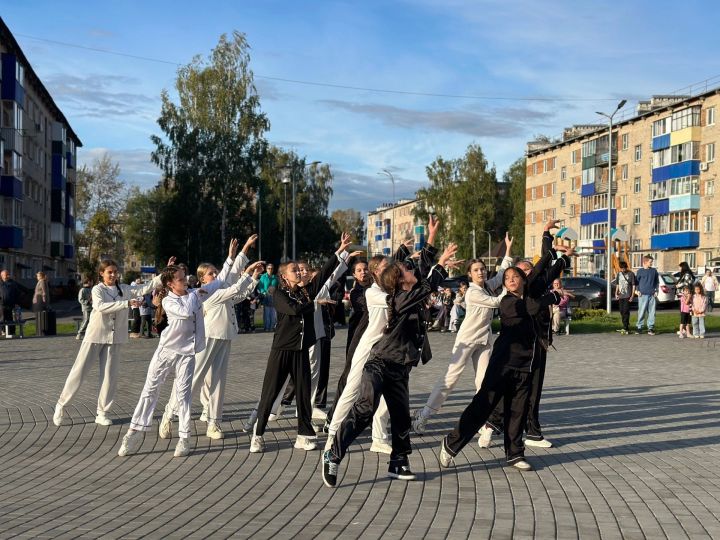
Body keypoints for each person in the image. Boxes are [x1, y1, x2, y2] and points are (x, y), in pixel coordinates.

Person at [322, 242, 459, 487]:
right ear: (399, 281)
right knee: (365, 410)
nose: (411, 271)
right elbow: (425, 284)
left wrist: (431, 246)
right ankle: (333, 452)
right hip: (378, 363)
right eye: (407, 271)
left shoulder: (411, 298)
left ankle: (398, 462)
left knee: (400, 417)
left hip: (400, 367)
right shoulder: (397, 299)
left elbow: (422, 281)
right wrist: (439, 264)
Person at [323, 221, 441, 455]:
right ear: (378, 273)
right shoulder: (373, 292)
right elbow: (410, 292)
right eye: (389, 268)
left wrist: (431, 237)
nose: (395, 272)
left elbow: (418, 276)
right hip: (369, 347)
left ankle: (378, 437)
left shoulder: (395, 288)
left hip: (392, 351)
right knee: (351, 391)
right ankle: (332, 438)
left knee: (389, 397)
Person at [118, 259, 252, 458]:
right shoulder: (168, 300)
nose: (186, 282)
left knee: (184, 395)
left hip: (187, 353)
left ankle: (184, 438)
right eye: (181, 280)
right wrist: (197, 294)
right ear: (170, 284)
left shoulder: (193, 293)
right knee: (150, 389)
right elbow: (185, 312)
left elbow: (221, 281)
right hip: (167, 350)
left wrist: (237, 264)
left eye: (185, 279)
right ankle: (133, 433)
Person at [438, 266, 561, 473]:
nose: (511, 280)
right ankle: (450, 444)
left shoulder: (528, 295)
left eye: (516, 277)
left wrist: (556, 256)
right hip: (502, 365)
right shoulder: (507, 302)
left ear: (523, 280)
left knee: (518, 412)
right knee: (482, 407)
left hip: (525, 366)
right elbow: (530, 308)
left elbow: (542, 273)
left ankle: (515, 454)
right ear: (504, 284)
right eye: (507, 278)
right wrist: (553, 297)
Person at [248, 233, 353, 453]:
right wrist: (314, 302)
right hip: (282, 350)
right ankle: (258, 434)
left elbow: (324, 274)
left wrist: (339, 251)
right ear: (285, 277)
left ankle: (303, 435)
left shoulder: (307, 291)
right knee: (270, 392)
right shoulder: (278, 293)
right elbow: (294, 310)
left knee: (304, 394)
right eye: (294, 270)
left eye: (299, 269)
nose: (299, 272)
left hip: (301, 350)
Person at [160, 236, 262, 441]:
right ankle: (169, 414)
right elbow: (232, 285)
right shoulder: (205, 293)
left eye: (215, 271)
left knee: (218, 382)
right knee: (191, 380)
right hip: (207, 338)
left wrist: (240, 255)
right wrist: (247, 271)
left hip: (224, 337)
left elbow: (232, 286)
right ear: (201, 280)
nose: (215, 275)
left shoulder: (218, 288)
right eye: (210, 273)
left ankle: (214, 422)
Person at [412, 233, 513, 435]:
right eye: (476, 270)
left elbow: (501, 274)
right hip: (467, 340)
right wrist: (508, 288)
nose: (481, 272)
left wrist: (508, 249)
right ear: (470, 275)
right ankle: (423, 416)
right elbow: (497, 302)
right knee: (450, 379)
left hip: (484, 339)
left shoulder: (488, 287)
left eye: (483, 269)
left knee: (484, 382)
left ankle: (483, 422)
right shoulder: (473, 292)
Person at [53, 258, 170, 427]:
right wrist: (126, 303)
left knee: (110, 376)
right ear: (101, 273)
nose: (113, 275)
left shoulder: (123, 289)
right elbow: (101, 307)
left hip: (115, 338)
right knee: (79, 372)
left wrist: (164, 273)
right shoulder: (97, 289)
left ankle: (103, 412)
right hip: (95, 336)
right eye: (109, 272)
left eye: (115, 272)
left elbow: (145, 287)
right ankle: (61, 405)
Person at [635, 255, 660, 335]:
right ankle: (639, 327)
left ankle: (650, 328)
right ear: (645, 262)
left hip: (652, 295)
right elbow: (636, 283)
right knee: (641, 312)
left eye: (652, 262)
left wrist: (656, 290)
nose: (652, 263)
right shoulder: (640, 271)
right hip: (642, 295)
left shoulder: (654, 271)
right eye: (650, 262)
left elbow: (657, 282)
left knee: (652, 312)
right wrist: (637, 290)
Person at [613, 261, 636, 335]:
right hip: (621, 295)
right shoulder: (619, 274)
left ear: (626, 267)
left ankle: (625, 327)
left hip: (627, 295)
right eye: (621, 268)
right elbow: (617, 284)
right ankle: (626, 324)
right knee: (621, 311)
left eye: (624, 268)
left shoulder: (631, 274)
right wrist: (616, 293)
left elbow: (633, 285)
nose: (623, 270)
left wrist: (632, 295)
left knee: (626, 311)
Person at [258, 263, 279, 332]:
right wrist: (263, 292)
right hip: (266, 296)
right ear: (266, 269)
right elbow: (260, 287)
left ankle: (272, 327)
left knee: (273, 314)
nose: (270, 270)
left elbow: (278, 287)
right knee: (267, 313)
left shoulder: (275, 277)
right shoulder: (263, 277)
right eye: (269, 268)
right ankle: (266, 327)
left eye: (272, 268)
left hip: (274, 297)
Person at [0, 269, 20, 337]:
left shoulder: (12, 283)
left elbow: (17, 293)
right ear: (2, 276)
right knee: (2, 318)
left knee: (10, 318)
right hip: (2, 305)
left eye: (8, 274)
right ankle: (3, 331)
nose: (8, 276)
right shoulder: (0, 283)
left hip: (11, 304)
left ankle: (11, 331)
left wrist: (16, 302)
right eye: (6, 275)